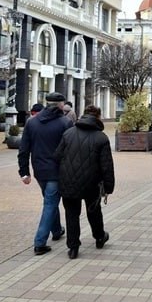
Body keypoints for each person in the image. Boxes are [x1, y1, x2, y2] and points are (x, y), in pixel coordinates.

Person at [53, 105, 115, 259]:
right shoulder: (101, 138)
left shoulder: (68, 134)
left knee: (71, 214)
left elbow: (57, 156)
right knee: (94, 211)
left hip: (68, 181)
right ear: (98, 117)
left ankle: (73, 247)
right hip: (91, 183)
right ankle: (99, 237)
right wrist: (109, 187)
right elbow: (106, 165)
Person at [18, 91, 73, 256]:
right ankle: (40, 242)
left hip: (39, 171)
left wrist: (24, 172)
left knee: (50, 200)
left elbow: (24, 149)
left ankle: (56, 230)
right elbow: (70, 150)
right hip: (57, 171)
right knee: (50, 203)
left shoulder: (32, 122)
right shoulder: (65, 122)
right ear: (61, 105)